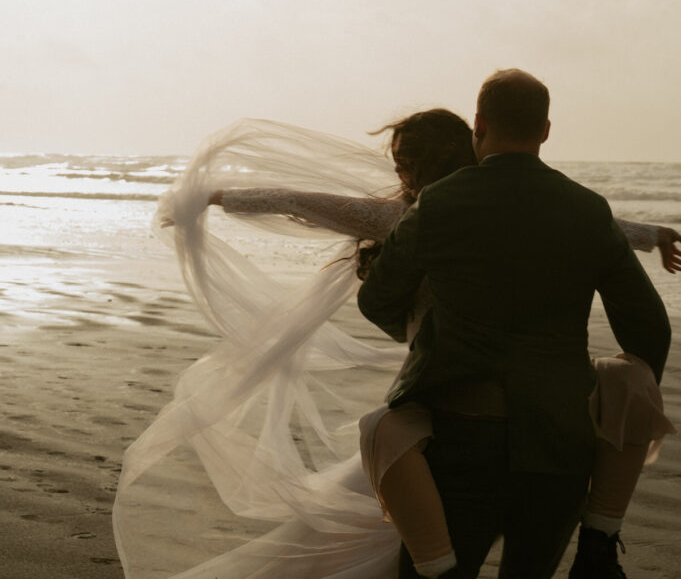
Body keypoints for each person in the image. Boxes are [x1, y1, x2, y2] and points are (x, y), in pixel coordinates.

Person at [113, 111, 676, 579]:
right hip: (473, 385)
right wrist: (223, 197)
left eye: (407, 155)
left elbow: (570, 218)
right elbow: (305, 201)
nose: (397, 164)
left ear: (440, 153)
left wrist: (651, 235)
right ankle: (598, 534)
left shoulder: (423, 214)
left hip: (449, 383)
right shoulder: (431, 210)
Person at [358, 71, 673, 579]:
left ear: (479, 125)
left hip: (461, 438)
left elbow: (376, 301)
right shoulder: (589, 210)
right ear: (546, 130)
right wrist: (612, 416)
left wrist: (425, 337)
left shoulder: (438, 203)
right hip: (561, 442)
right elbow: (649, 327)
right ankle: (601, 536)